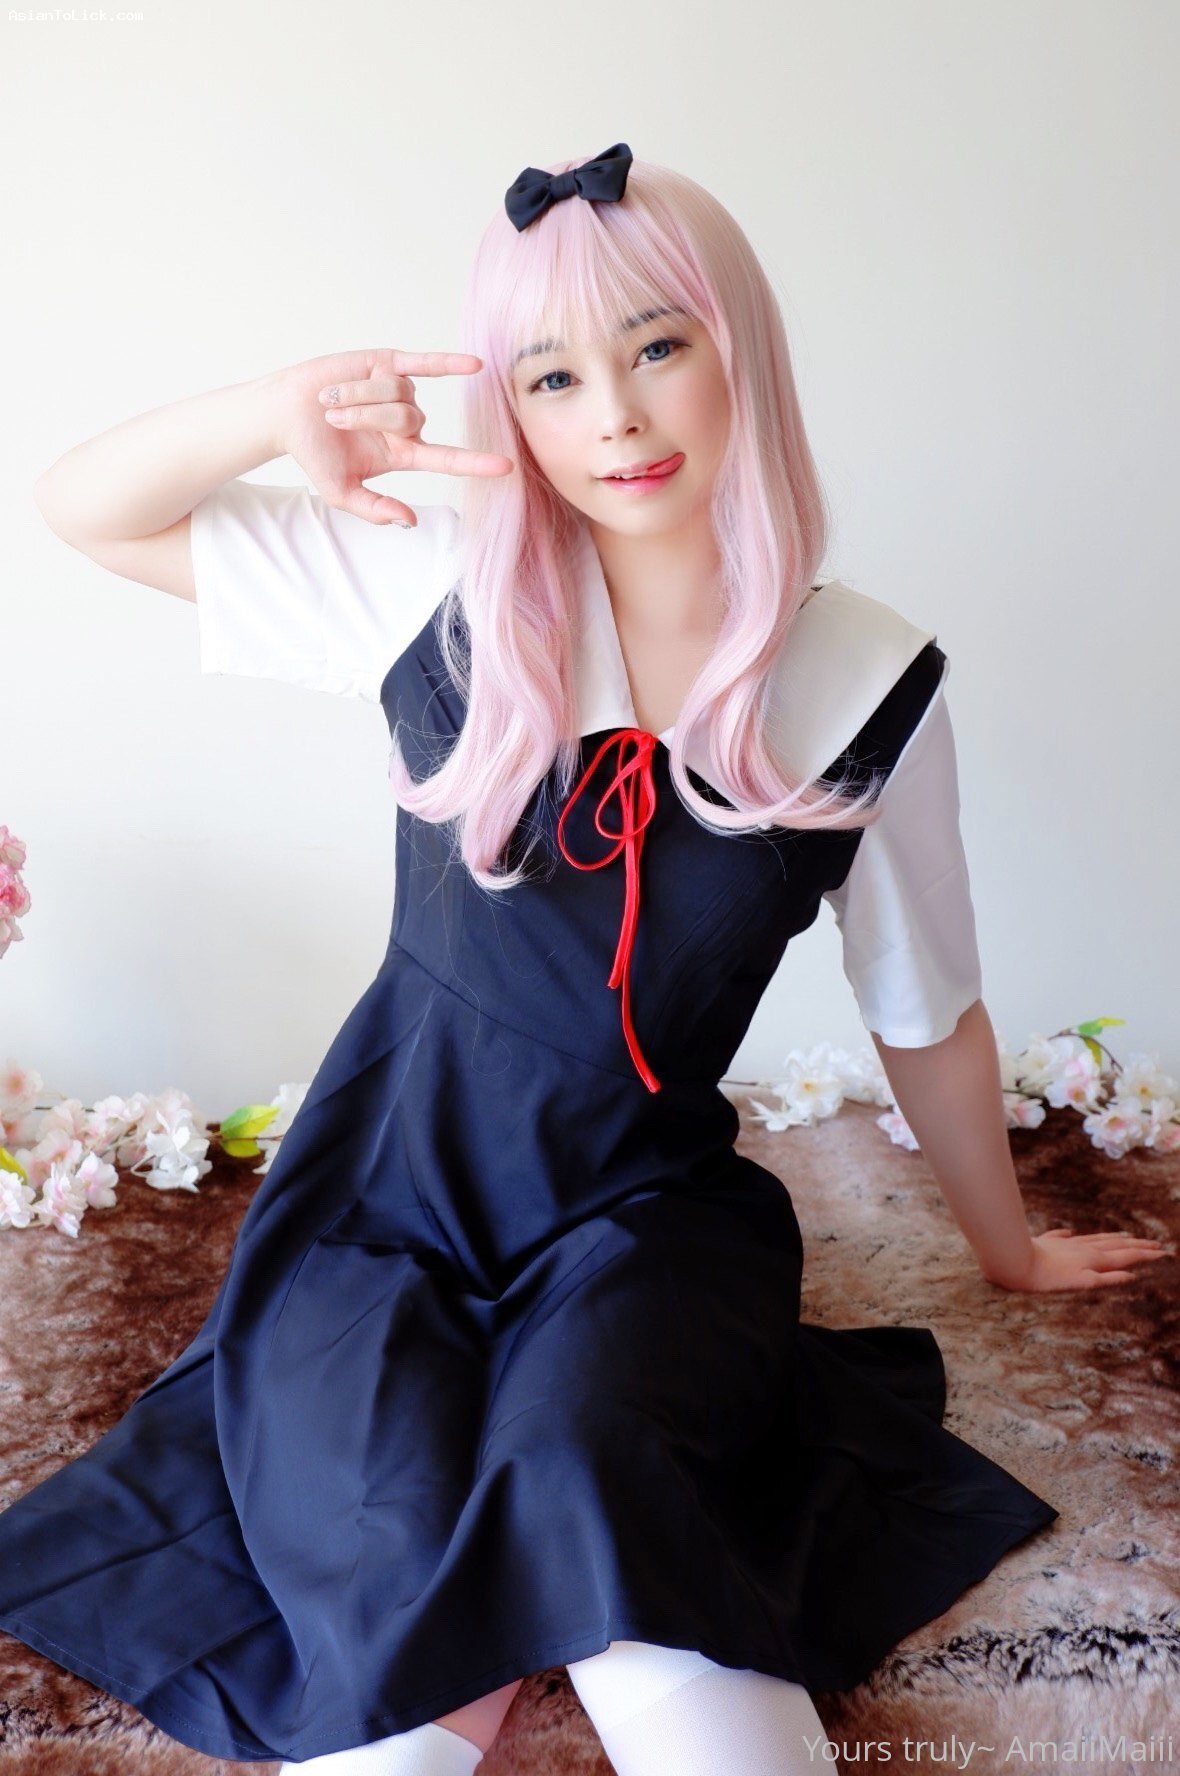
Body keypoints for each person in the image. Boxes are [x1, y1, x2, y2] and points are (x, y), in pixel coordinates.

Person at [2, 143, 1168, 1776]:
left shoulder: (863, 679)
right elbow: (84, 509)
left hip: (641, 1220)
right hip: (382, 1213)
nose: (615, 415)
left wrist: (1010, 1247)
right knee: (390, 1569)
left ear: (738, 353)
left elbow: (927, 1010)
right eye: (553, 376)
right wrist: (275, 413)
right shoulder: (436, 589)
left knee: (608, 1493)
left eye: (657, 347)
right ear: (515, 413)